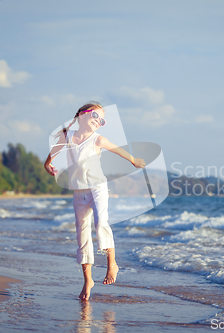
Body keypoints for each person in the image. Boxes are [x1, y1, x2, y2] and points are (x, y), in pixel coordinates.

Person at [44, 102, 145, 301]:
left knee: (101, 224)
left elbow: (118, 150)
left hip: (98, 188)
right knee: (82, 236)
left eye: (102, 120)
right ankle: (88, 280)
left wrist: (133, 160)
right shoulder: (67, 136)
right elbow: (52, 154)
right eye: (95, 116)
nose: (99, 121)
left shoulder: (98, 139)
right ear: (82, 115)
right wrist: (48, 164)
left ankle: (112, 263)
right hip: (78, 192)